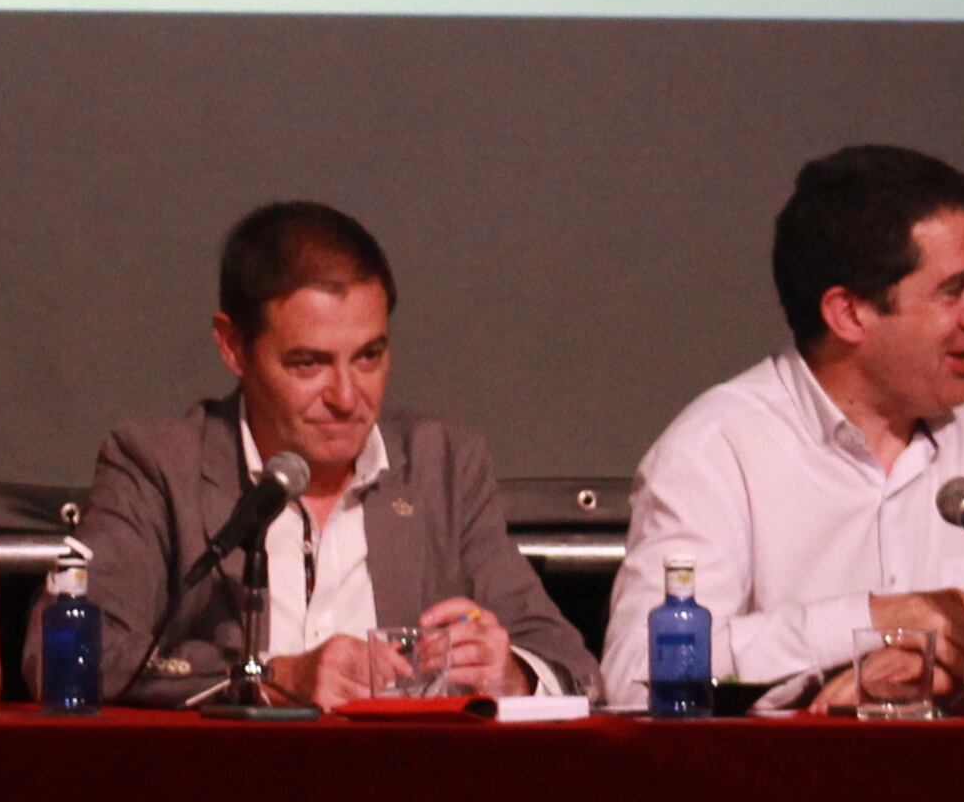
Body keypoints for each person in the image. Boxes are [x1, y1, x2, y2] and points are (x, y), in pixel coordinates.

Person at [608, 145, 964, 710]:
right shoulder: (715, 448)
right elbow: (636, 674)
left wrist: (963, 662)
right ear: (848, 314)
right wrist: (871, 621)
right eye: (954, 290)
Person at [79, 201, 598, 707]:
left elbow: (574, 668)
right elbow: (74, 651)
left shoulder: (443, 468)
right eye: (309, 364)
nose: (347, 398)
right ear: (233, 346)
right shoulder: (157, 466)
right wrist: (269, 678)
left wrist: (511, 673)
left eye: (370, 356)